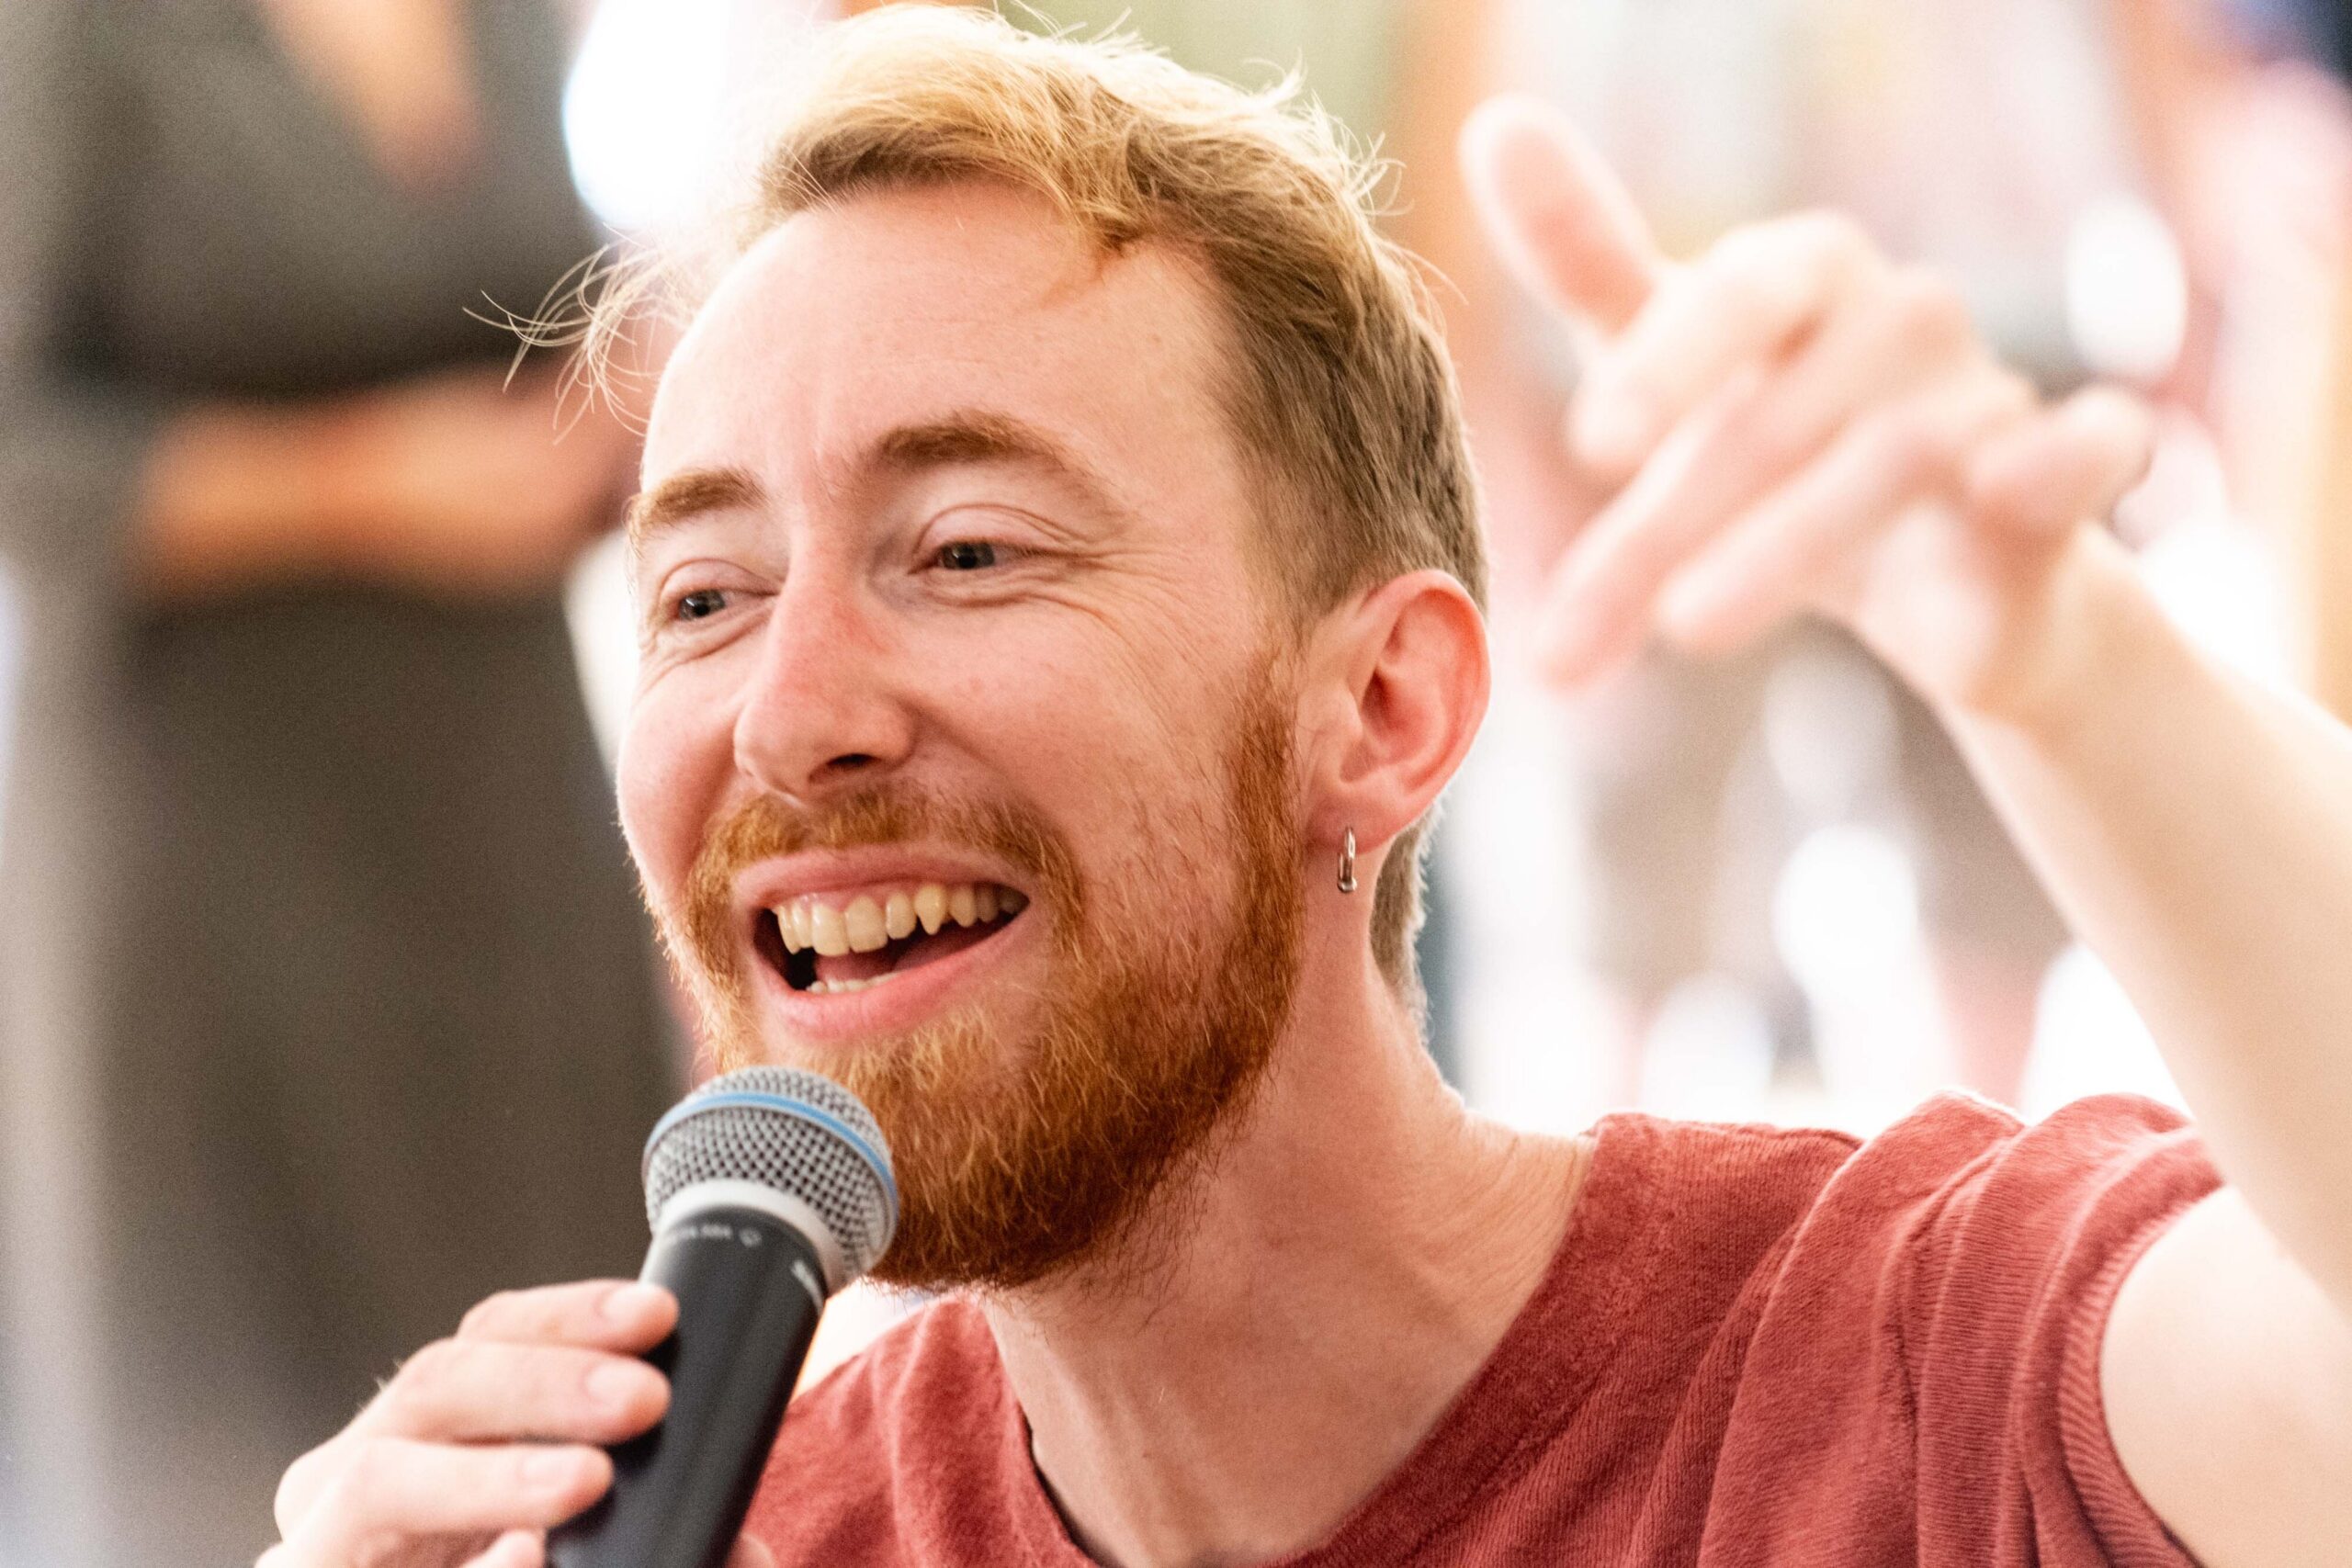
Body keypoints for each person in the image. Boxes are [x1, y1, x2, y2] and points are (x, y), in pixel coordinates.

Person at [263, 10, 2352, 1566]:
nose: (788, 711)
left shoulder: (1916, 1365)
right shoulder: (761, 1530)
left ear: (1382, 707)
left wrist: (2072, 673)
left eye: (967, 550)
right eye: (702, 597)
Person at [0, 4, 681, 1566]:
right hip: (210, 832)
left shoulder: (514, 19)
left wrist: (631, 401)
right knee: (231, 1418)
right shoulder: (72, 32)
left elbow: (550, 315)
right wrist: (361, 487)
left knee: (573, 1381)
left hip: (504, 812)